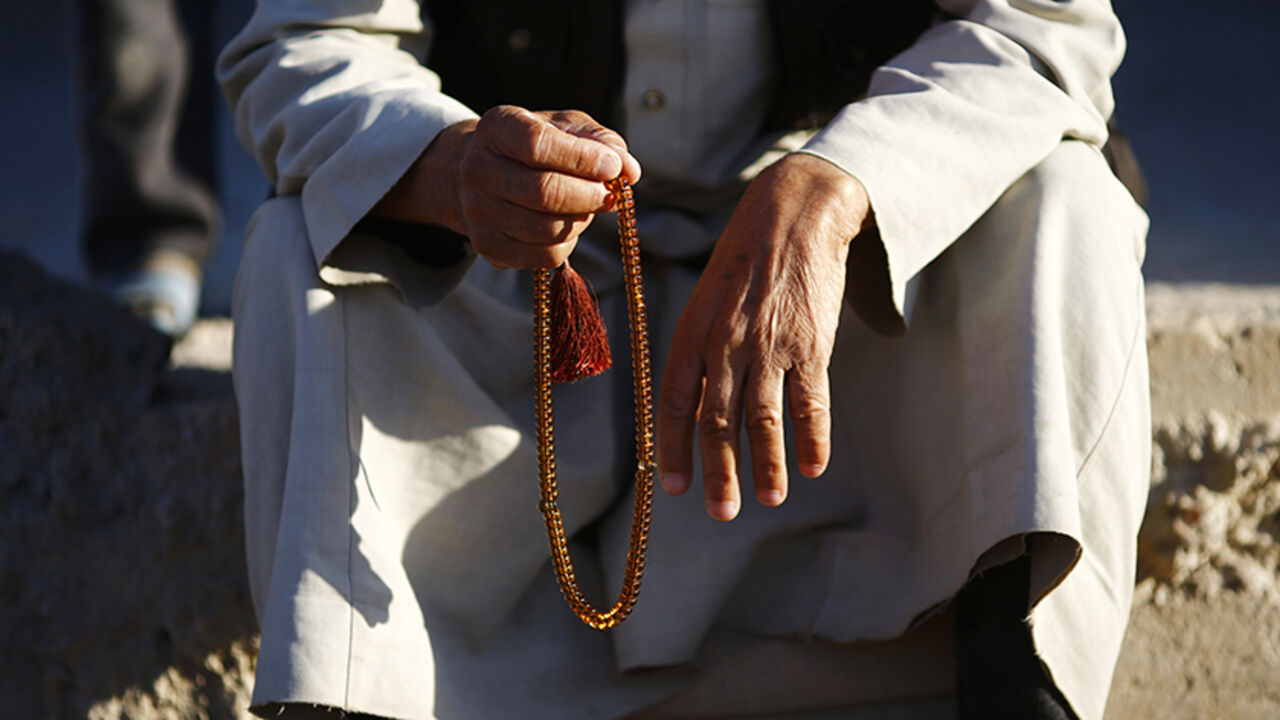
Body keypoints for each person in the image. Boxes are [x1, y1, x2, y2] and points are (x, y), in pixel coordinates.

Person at [218, 1, 1150, 718]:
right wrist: (454, 168)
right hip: (516, 277)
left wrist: (845, 183)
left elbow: (1041, 25)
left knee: (1067, 207)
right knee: (305, 244)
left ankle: (1010, 682)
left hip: (852, 283)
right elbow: (307, 38)